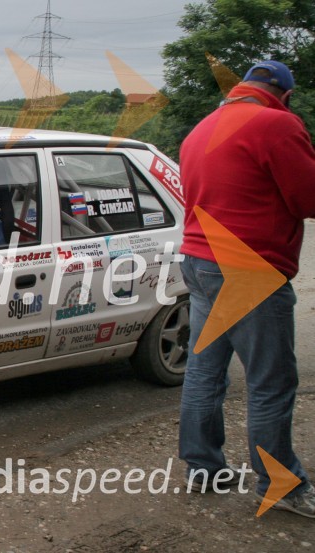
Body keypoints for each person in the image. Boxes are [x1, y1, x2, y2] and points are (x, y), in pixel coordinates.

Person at [178, 60, 315, 516]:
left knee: (204, 371)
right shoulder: (277, 124)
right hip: (248, 268)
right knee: (271, 382)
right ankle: (281, 486)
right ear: (286, 96)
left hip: (199, 261)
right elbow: (307, 198)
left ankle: (203, 468)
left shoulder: (201, 129)